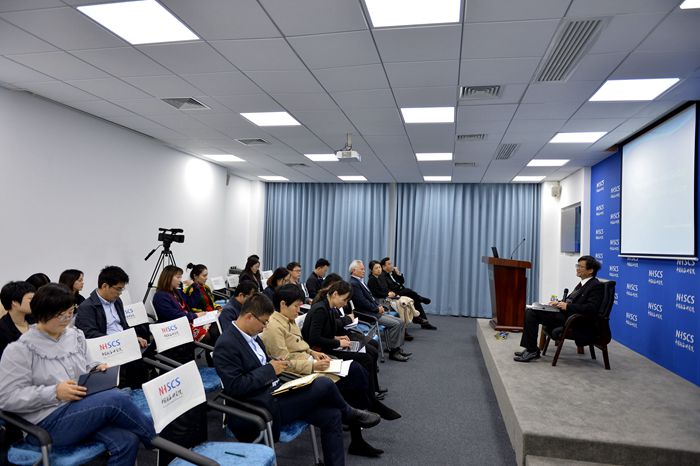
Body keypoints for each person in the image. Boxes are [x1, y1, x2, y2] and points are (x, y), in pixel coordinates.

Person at [213, 293, 380, 466]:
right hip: (258, 406)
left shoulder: (252, 336)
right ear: (249, 317)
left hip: (276, 393)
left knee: (332, 415)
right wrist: (270, 369)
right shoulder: (226, 344)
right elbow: (235, 386)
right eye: (264, 322)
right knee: (323, 383)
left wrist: (276, 366)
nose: (264, 327)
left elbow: (262, 364)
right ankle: (350, 413)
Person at [0, 284, 156, 466]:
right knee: (115, 399)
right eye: (61, 315)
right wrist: (54, 392)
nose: (67, 319)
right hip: (47, 421)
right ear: (41, 314)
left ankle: (156, 441)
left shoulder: (74, 335)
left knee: (127, 441)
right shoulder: (21, 350)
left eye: (70, 312)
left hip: (80, 409)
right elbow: (7, 398)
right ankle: (157, 440)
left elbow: (87, 364)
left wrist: (97, 367)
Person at [262, 284, 396, 457]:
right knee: (354, 374)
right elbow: (283, 363)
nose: (299, 310)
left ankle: (361, 421)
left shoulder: (288, 319)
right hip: (300, 374)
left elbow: (301, 345)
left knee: (356, 371)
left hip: (310, 363)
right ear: (282, 304)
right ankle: (362, 417)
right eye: (296, 306)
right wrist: (313, 365)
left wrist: (314, 353)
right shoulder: (274, 327)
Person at [303, 280, 397, 410]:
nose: (345, 303)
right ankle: (368, 399)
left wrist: (336, 337)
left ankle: (369, 396)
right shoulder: (321, 309)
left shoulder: (328, 307)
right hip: (320, 351)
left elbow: (324, 332)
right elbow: (314, 339)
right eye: (344, 300)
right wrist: (338, 342)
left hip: (327, 345)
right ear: (335, 294)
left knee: (369, 353)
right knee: (365, 359)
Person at [514, 255, 605, 363]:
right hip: (565, 315)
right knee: (531, 310)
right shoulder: (582, 284)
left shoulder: (595, 285)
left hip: (575, 321)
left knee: (531, 313)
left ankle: (532, 350)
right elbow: (572, 301)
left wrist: (567, 306)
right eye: (577, 266)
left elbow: (591, 308)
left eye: (581, 267)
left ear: (590, 270)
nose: (577, 269)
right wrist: (558, 303)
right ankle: (531, 348)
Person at [75, 266, 150, 388]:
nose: (120, 293)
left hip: (124, 345)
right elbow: (90, 335)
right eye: (118, 289)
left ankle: (139, 392)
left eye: (122, 289)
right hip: (107, 350)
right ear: (105, 286)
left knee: (145, 356)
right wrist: (123, 340)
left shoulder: (117, 301)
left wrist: (133, 337)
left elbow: (124, 325)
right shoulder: (87, 307)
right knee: (135, 368)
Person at [348, 260, 410, 362]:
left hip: (373, 311)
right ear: (354, 271)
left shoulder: (359, 281)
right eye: (361, 269)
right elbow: (362, 302)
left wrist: (378, 306)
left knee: (401, 321)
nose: (364, 271)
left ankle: (396, 348)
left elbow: (370, 298)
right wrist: (377, 308)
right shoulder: (354, 283)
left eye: (364, 269)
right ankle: (393, 352)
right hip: (367, 315)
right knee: (396, 324)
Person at [153, 265, 212, 364]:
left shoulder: (176, 292)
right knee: (208, 335)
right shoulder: (160, 297)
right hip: (176, 327)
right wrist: (195, 316)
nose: (180, 280)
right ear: (168, 278)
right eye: (178, 277)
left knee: (214, 330)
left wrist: (194, 286)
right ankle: (210, 361)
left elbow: (192, 302)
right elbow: (174, 316)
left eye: (180, 277)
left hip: (186, 321)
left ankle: (212, 361)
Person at [380, 257, 437, 330]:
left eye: (391, 263)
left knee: (415, 300)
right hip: (394, 294)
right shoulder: (382, 276)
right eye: (389, 264)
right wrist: (393, 292)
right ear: (384, 267)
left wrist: (398, 274)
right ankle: (421, 300)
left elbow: (402, 282)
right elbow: (386, 289)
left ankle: (424, 322)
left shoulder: (393, 272)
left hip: (402, 291)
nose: (391, 265)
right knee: (409, 291)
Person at [367, 260, 417, 341]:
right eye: (376, 268)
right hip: (380, 301)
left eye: (379, 267)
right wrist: (388, 294)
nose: (379, 269)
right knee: (401, 306)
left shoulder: (379, 277)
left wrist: (390, 293)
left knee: (403, 304)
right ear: (371, 270)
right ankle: (404, 332)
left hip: (385, 298)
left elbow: (385, 289)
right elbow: (377, 293)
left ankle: (404, 329)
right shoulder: (372, 280)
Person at [0, 281, 35, 356]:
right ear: (14, 302)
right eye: (30, 299)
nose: (34, 302)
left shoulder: (36, 321)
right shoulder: (3, 329)